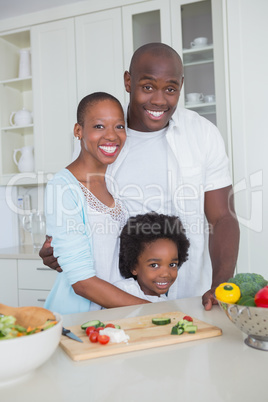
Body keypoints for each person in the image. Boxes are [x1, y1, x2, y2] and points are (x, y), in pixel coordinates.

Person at [40, 43, 240, 311]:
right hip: (119, 302)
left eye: (170, 89)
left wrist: (221, 283)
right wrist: (60, 248)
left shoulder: (202, 135)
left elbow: (223, 217)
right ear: (128, 81)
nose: (158, 100)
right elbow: (79, 213)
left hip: (191, 293)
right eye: (147, 87)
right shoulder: (103, 143)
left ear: (181, 85)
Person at [44, 92, 150, 315]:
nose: (111, 136)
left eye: (119, 126)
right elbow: (82, 282)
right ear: (78, 131)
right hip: (80, 319)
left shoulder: (116, 183)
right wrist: (158, 311)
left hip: (117, 313)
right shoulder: (63, 187)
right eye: (99, 126)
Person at [114, 212, 190, 302]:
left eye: (172, 264)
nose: (166, 274)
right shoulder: (124, 290)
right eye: (154, 265)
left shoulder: (164, 301)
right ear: (134, 267)